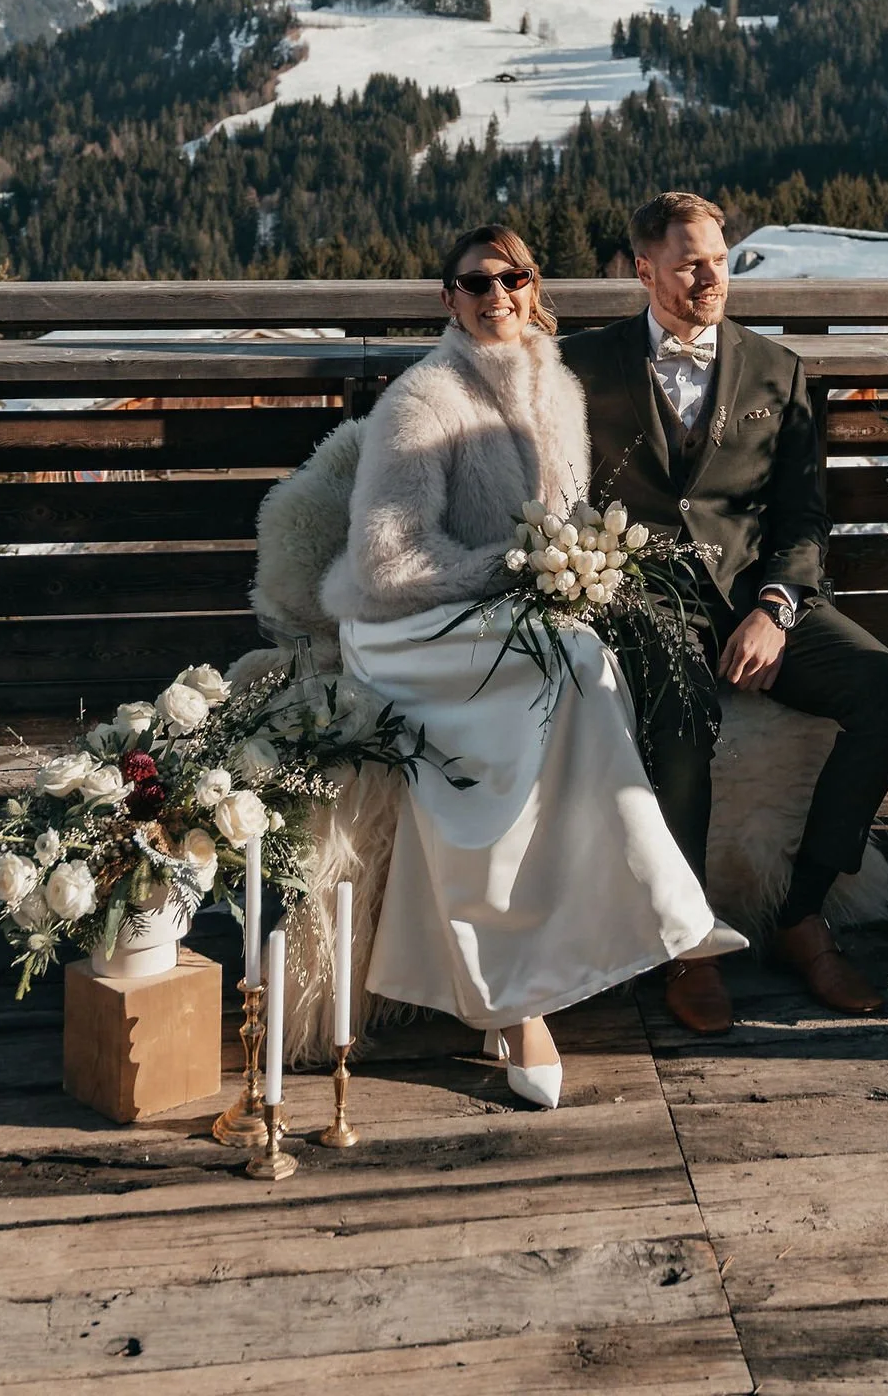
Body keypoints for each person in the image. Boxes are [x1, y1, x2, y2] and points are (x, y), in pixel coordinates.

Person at [321, 224, 744, 1111]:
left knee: (582, 662)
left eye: (512, 279)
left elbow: (574, 512)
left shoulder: (558, 386)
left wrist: (572, 569)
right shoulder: (421, 401)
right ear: (448, 299)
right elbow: (387, 566)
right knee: (562, 676)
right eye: (474, 284)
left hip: (519, 614)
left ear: (532, 284)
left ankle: (636, 924)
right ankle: (520, 1000)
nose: (496, 297)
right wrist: (521, 571)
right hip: (413, 629)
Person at [562, 189, 888, 1036]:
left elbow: (804, 517)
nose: (708, 276)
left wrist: (775, 607)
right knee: (684, 717)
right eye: (688, 262)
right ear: (643, 269)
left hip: (756, 598)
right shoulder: (581, 368)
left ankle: (802, 914)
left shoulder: (777, 370)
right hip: (642, 599)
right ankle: (690, 947)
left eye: (719, 260)